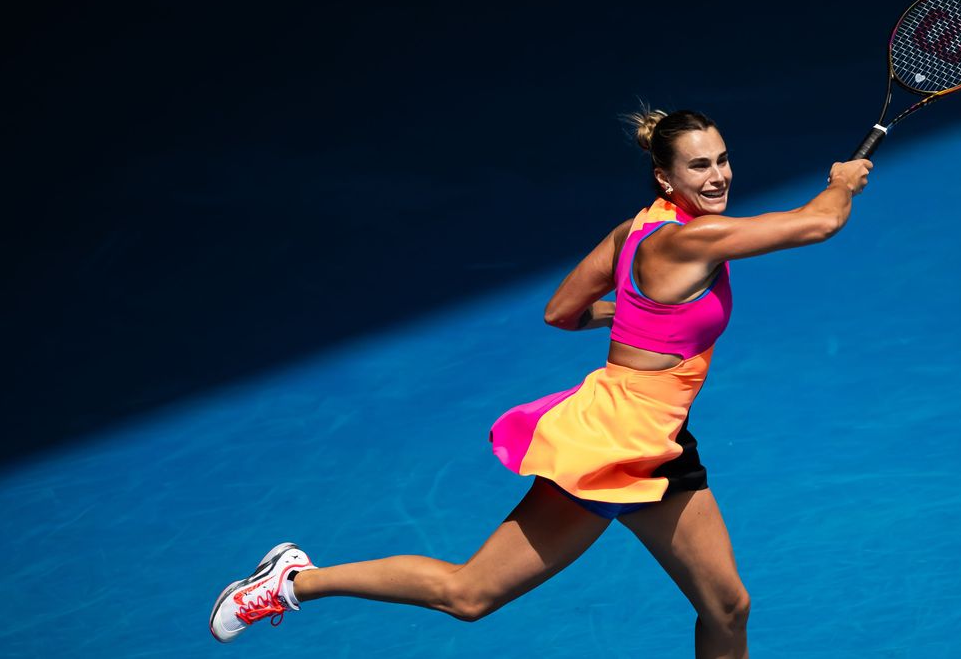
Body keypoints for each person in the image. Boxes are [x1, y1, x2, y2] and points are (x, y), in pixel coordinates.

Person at [209, 108, 872, 658]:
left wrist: (637, 315)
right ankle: (295, 581)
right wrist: (842, 180)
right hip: (609, 447)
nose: (719, 175)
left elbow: (562, 312)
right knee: (469, 596)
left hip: (662, 445)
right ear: (665, 174)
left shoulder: (634, 231)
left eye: (723, 159)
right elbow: (820, 222)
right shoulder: (690, 242)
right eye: (699, 165)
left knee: (727, 607)